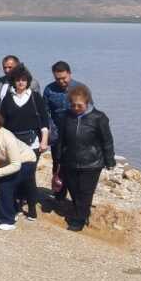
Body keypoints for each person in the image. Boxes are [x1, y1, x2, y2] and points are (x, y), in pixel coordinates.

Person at [54, 84, 115, 232]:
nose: (75, 108)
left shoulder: (99, 117)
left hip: (92, 162)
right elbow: (61, 140)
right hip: (70, 161)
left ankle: (79, 220)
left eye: (79, 105)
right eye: (73, 105)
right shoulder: (66, 116)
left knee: (85, 192)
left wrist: (110, 161)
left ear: (87, 102)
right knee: (74, 190)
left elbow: (107, 140)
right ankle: (82, 212)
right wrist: (58, 158)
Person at [0, 64, 50, 220]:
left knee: (29, 176)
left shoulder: (35, 97)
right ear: (13, 82)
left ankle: (32, 207)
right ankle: (15, 205)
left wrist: (44, 142)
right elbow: (3, 123)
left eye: (23, 80)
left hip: (32, 143)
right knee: (13, 174)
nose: (21, 83)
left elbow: (44, 122)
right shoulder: (8, 98)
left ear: (28, 81)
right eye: (18, 80)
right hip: (13, 142)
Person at [42, 60, 83, 197]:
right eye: (57, 79)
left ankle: (76, 195)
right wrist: (48, 133)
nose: (61, 82)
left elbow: (89, 112)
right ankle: (59, 194)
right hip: (57, 134)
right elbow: (45, 112)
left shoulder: (80, 89)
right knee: (58, 163)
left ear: (70, 74)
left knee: (76, 165)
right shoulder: (49, 89)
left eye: (64, 78)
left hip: (76, 133)